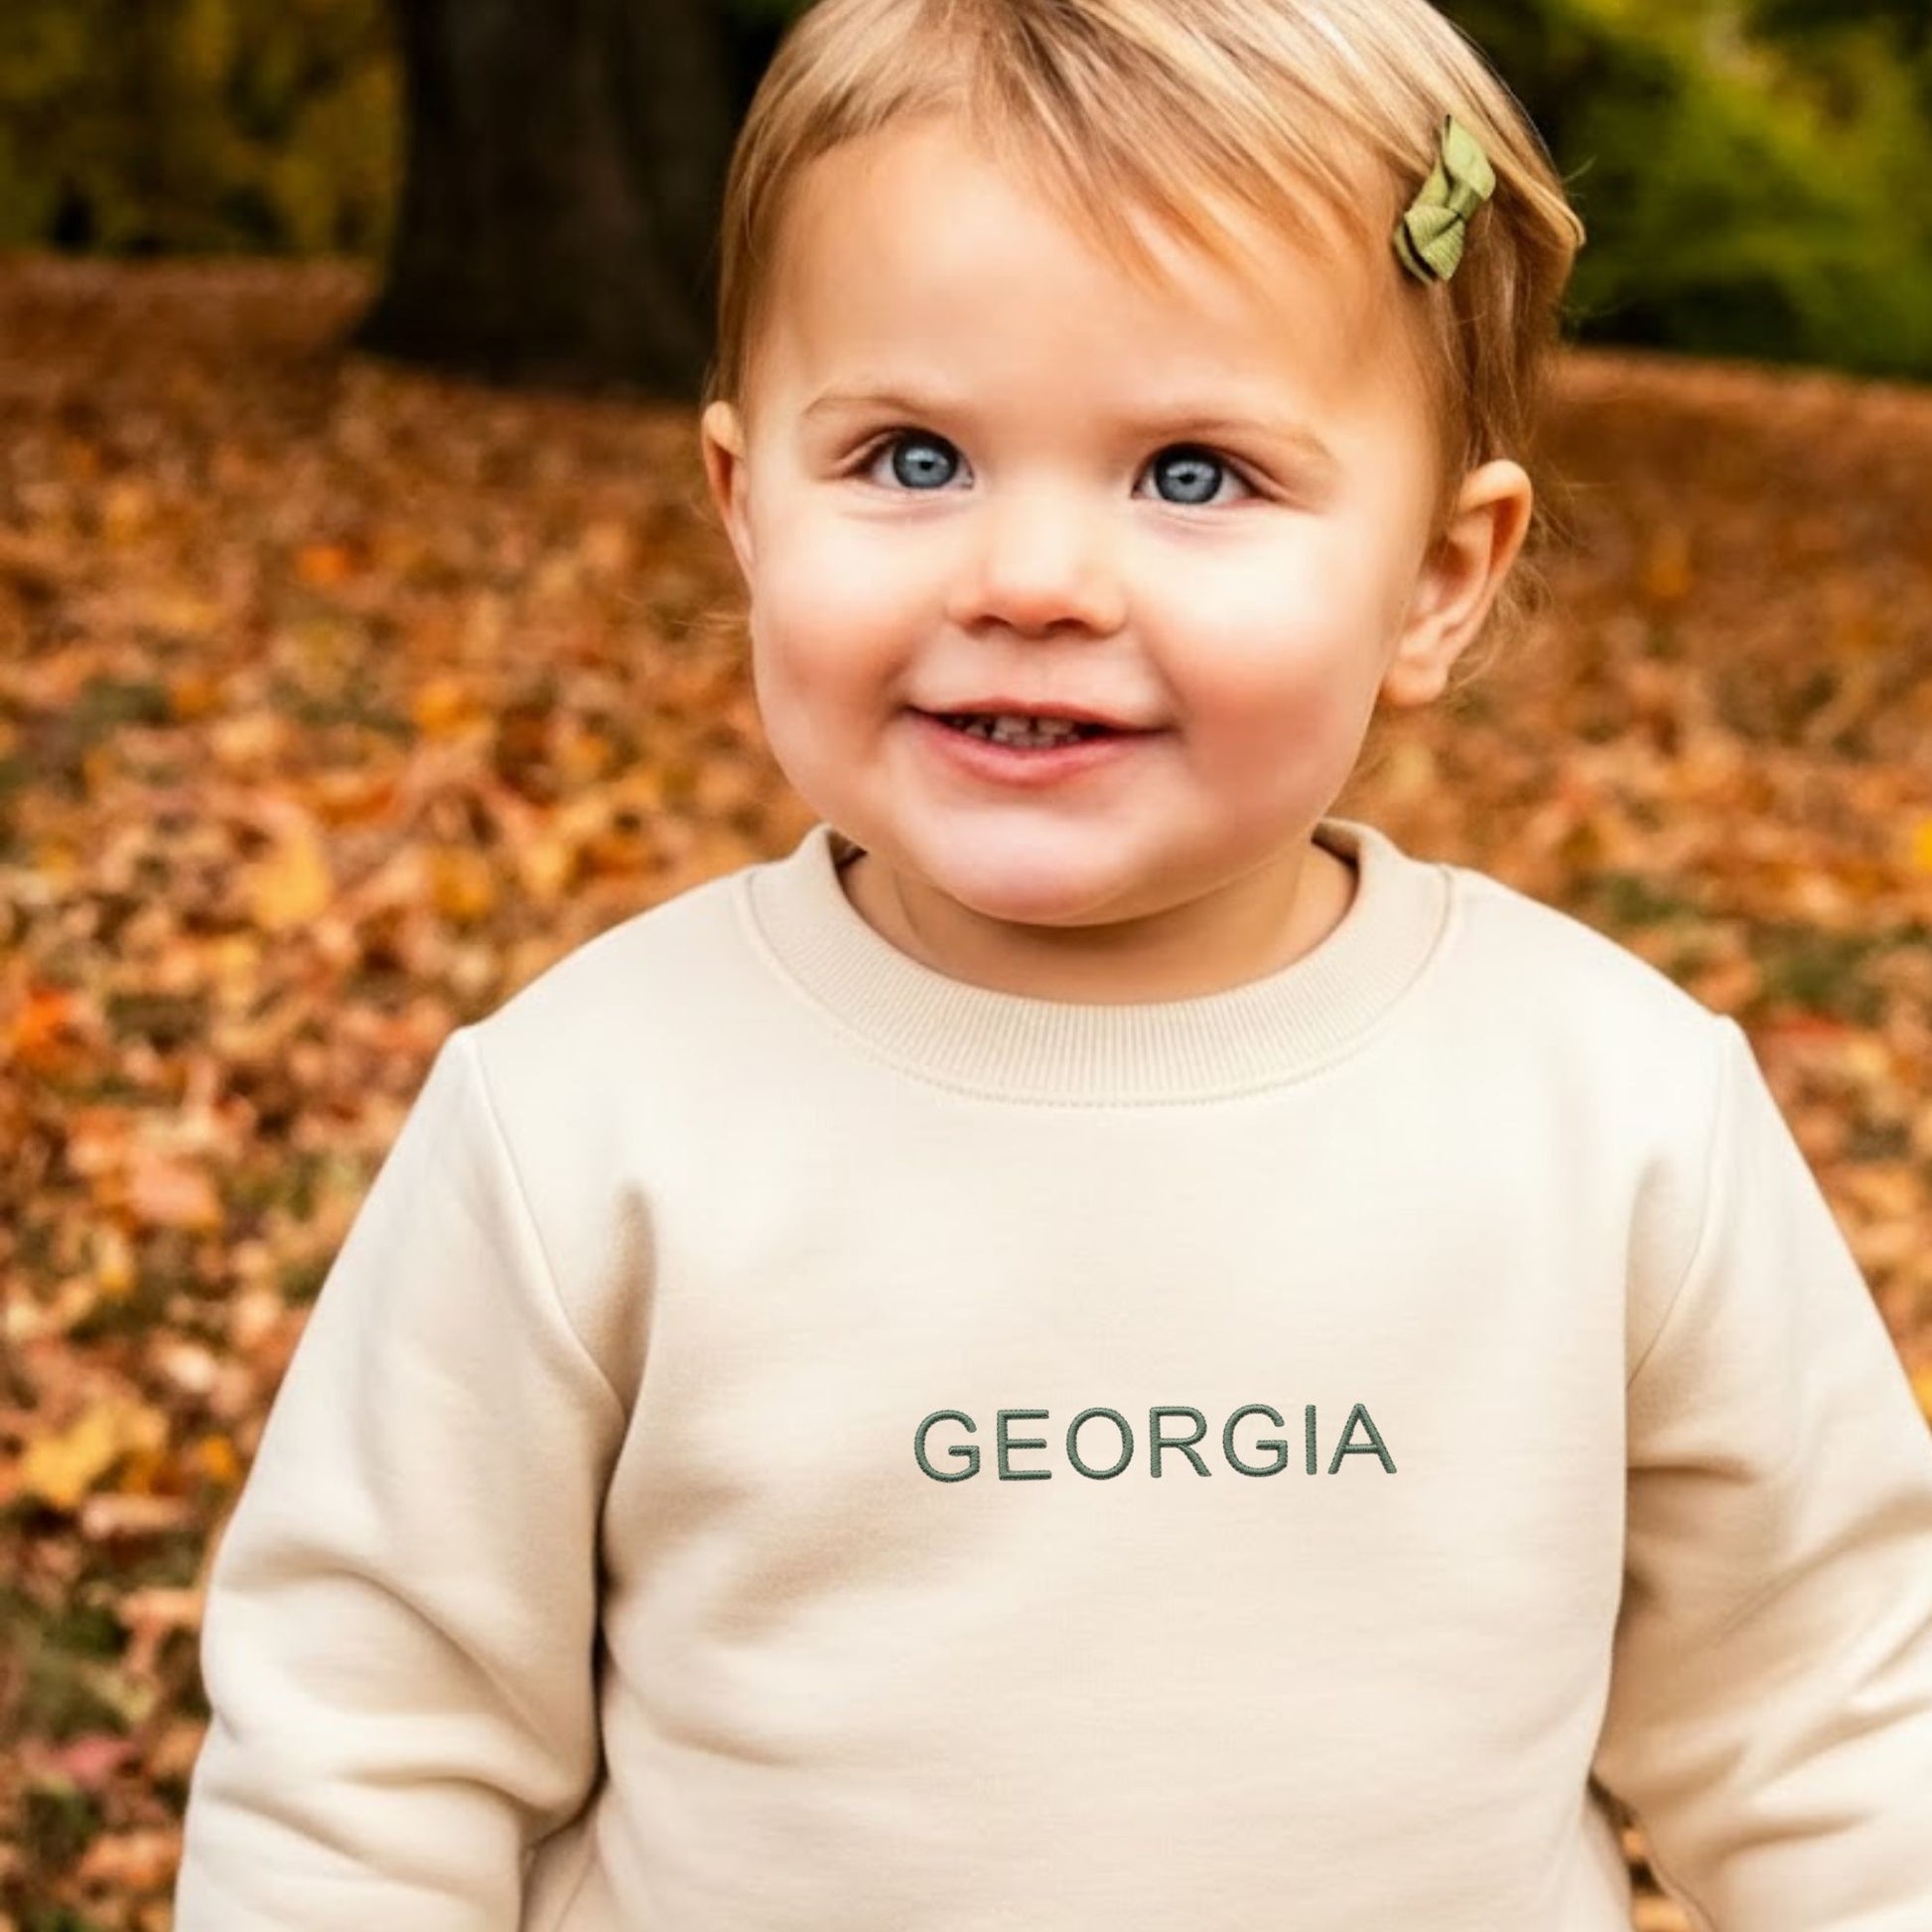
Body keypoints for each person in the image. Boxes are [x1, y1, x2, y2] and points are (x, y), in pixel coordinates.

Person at [172, 0, 1932, 1926]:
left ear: (1438, 576)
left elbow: (1836, 1729)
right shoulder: (583, 1115)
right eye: (912, 454)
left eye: (1192, 474)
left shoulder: (1614, 1117)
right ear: (744, 509)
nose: (1025, 579)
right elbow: (364, 1760)